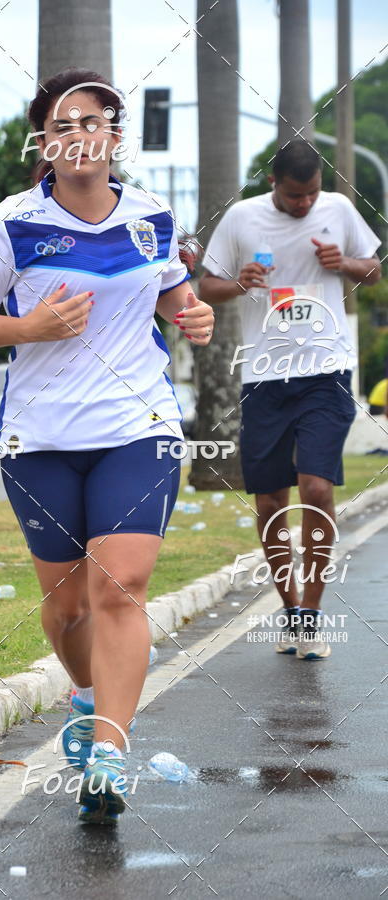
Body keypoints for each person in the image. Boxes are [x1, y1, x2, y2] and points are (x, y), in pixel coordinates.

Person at [0, 67, 214, 824]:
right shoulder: (11, 223)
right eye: (61, 127)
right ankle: (88, 694)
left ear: (114, 137)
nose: (77, 137)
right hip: (41, 439)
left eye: (90, 122)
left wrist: (190, 316)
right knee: (67, 609)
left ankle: (109, 752)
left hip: (139, 428)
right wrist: (28, 327)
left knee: (120, 587)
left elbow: (172, 294)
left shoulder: (154, 217)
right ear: (45, 142)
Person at [199, 140, 381, 660]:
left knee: (317, 488)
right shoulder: (241, 218)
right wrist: (239, 283)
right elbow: (206, 286)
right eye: (295, 195)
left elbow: (373, 271)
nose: (304, 204)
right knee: (271, 501)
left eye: (311, 194)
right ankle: (290, 607)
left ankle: (312, 616)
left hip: (326, 372)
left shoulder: (339, 210)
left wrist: (343, 261)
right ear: (274, 183)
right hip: (264, 376)